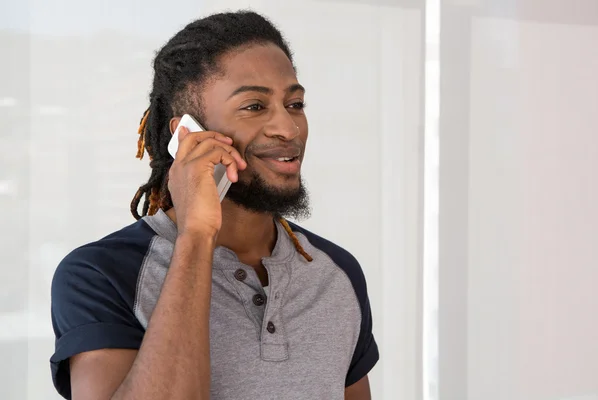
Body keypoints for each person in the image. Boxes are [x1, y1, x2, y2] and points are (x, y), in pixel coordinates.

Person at [50, 10, 378, 400]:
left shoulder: (336, 272)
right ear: (189, 134)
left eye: (295, 104)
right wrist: (196, 235)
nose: (288, 129)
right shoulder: (99, 275)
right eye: (255, 106)